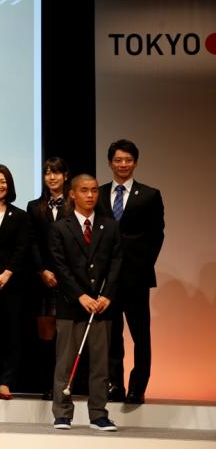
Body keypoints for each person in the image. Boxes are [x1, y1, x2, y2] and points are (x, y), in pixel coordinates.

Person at [49, 174, 122, 432]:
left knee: (100, 364)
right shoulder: (61, 227)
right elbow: (60, 265)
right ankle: (62, 413)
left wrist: (107, 295)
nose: (90, 195)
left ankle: (99, 413)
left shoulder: (109, 226)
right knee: (65, 362)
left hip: (101, 306)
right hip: (72, 305)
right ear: (72, 194)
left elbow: (116, 263)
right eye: (84, 190)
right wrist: (80, 295)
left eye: (93, 190)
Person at [98, 139, 164, 404]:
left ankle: (138, 387)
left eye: (128, 160)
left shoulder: (149, 195)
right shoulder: (99, 194)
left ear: (135, 162)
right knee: (112, 336)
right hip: (106, 280)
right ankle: (115, 385)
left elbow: (157, 236)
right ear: (110, 163)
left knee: (140, 336)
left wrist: (143, 266)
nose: (123, 165)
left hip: (136, 278)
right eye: (118, 160)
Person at [0, 165, 30, 400]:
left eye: (2, 182)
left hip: (12, 284)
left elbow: (22, 248)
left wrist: (7, 274)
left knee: (12, 333)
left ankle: (6, 382)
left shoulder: (19, 215)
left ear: (9, 185)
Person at [26, 157, 71, 400]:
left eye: (56, 173)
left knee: (67, 335)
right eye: (47, 173)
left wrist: (66, 273)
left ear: (65, 176)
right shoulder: (35, 207)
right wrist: (42, 270)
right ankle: (47, 385)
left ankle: (65, 385)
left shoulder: (75, 204)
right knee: (46, 334)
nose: (52, 177)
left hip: (70, 280)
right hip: (44, 279)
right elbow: (32, 242)